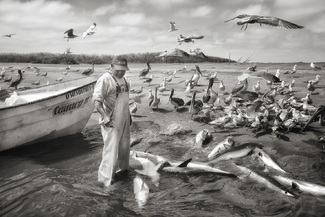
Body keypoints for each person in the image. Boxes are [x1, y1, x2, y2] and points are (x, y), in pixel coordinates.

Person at [92, 56, 132, 187]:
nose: (121, 72)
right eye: (118, 69)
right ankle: (105, 180)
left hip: (124, 119)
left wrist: (129, 116)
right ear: (112, 66)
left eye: (123, 69)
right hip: (111, 121)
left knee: (124, 148)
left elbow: (125, 101)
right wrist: (105, 116)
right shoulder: (105, 79)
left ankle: (122, 173)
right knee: (111, 151)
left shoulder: (125, 80)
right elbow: (97, 102)